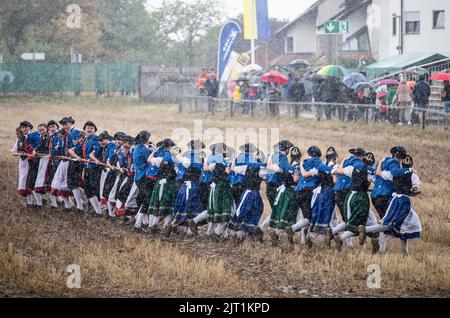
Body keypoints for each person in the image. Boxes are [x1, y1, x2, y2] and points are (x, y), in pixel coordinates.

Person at [364, 155, 422, 256]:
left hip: (394, 200)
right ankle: (379, 239)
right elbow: (416, 189)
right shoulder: (413, 175)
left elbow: (378, 173)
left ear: (401, 164)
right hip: (405, 201)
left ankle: (403, 252)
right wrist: (412, 191)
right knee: (401, 226)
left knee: (393, 224)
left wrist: (381, 162)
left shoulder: (393, 174)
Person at [81, 121, 103, 217]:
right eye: (87, 128)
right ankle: (95, 208)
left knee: (94, 189)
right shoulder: (86, 139)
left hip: (95, 168)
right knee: (88, 189)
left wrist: (91, 159)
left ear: (95, 130)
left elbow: (96, 152)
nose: (89, 129)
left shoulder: (96, 139)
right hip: (87, 167)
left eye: (91, 128)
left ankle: (98, 211)